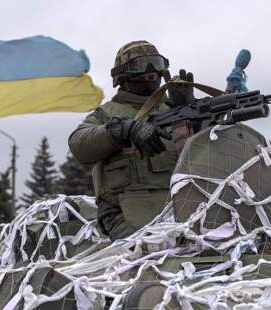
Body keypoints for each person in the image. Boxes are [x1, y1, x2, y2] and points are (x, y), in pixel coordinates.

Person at [68, 40, 195, 240]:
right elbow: (78, 143)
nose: (150, 71)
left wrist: (189, 112)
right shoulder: (107, 114)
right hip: (125, 217)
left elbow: (208, 153)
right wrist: (123, 130)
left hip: (181, 210)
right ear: (123, 75)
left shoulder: (172, 109)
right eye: (140, 65)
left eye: (155, 64)